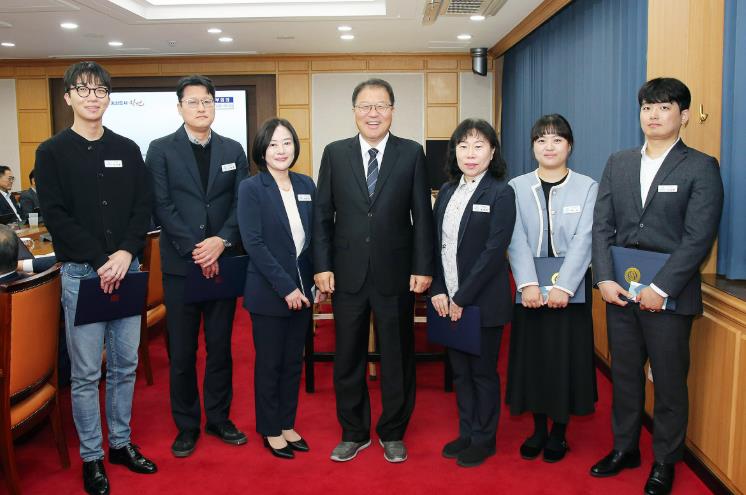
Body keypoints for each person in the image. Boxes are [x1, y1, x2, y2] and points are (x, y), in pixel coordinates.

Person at [590, 77, 724, 495]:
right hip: (620, 293)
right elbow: (602, 226)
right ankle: (624, 448)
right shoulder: (619, 162)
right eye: (647, 107)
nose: (653, 114)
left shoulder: (700, 166)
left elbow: (698, 237)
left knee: (668, 383)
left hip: (670, 297)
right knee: (624, 376)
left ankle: (665, 460)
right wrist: (604, 278)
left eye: (664, 107)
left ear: (684, 116)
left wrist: (661, 288)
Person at [35, 61, 156, 495]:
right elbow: (55, 215)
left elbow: (143, 207)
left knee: (126, 366)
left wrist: (124, 253)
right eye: (83, 89)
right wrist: (101, 259)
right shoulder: (51, 152)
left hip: (128, 269)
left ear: (108, 97)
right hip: (82, 274)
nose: (92, 97)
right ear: (68, 96)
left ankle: (120, 444)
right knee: (87, 374)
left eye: (100, 90)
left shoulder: (127, 148)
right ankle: (92, 457)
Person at [313, 78, 434, 463]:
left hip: (395, 272)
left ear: (392, 111)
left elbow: (422, 216)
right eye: (365, 106)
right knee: (347, 356)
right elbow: (322, 215)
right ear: (354, 112)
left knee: (397, 355)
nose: (373, 113)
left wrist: (422, 266)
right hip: (346, 272)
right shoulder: (335, 153)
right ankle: (353, 431)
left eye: (381, 106)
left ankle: (393, 431)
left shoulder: (411, 153)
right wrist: (322, 265)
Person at [147, 74, 249, 458]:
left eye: (207, 101)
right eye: (193, 102)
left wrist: (221, 242)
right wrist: (196, 249)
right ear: (180, 108)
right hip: (181, 266)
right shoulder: (160, 150)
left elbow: (241, 203)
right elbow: (161, 205)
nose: (201, 108)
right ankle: (187, 424)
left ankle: (219, 418)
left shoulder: (233, 149)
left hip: (223, 262)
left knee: (220, 347)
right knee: (182, 351)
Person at [505, 114, 598, 463]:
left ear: (569, 146)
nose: (549, 146)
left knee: (564, 360)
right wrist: (528, 284)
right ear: (533, 146)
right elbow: (515, 237)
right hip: (529, 291)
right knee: (533, 360)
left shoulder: (587, 187)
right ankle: (538, 429)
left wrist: (566, 287)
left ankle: (559, 431)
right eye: (541, 140)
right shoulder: (516, 186)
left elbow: (586, 238)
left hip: (571, 292)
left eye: (557, 139)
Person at [430, 118, 515, 468]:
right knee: (460, 372)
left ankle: (484, 438)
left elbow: (493, 253)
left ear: (492, 152)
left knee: (482, 372)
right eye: (463, 146)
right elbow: (436, 244)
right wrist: (439, 289)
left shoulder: (501, 193)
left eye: (479, 146)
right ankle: (466, 431)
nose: (470, 153)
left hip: (481, 302)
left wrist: (461, 298)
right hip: (447, 299)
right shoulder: (447, 190)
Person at [237, 118, 320, 459]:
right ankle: (270, 428)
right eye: (273, 144)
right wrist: (287, 287)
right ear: (262, 150)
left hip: (304, 292)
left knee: (293, 363)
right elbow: (254, 244)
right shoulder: (251, 188)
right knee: (270, 363)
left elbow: (315, 238)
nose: (281, 150)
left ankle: (287, 423)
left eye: (287, 142)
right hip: (269, 292)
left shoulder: (306, 184)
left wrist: (315, 280)